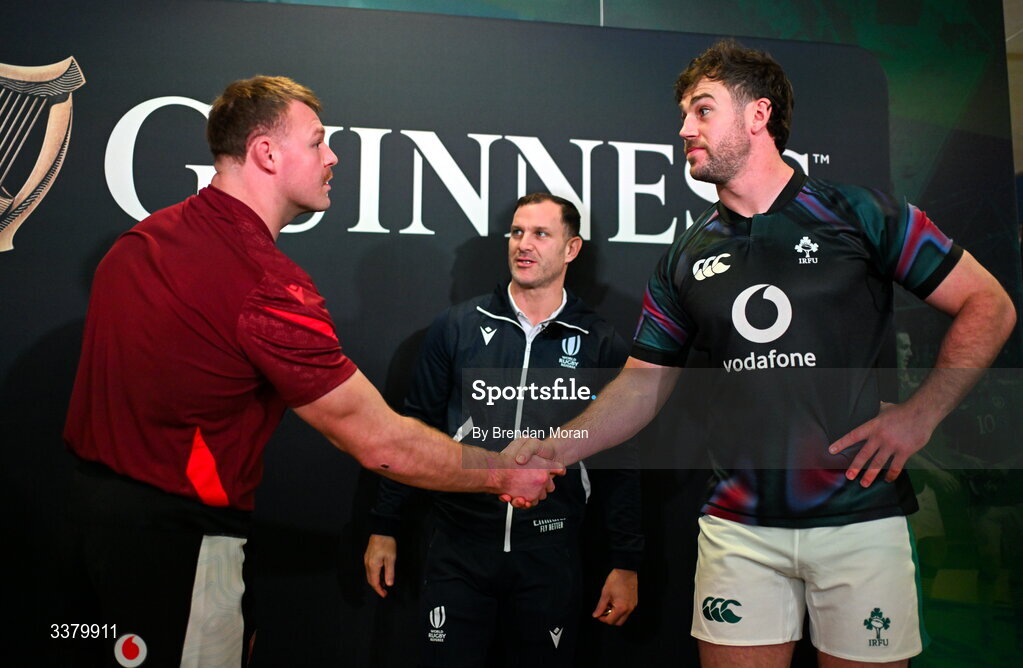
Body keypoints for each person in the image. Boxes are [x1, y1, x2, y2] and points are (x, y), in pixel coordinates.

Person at [504, 41, 1016, 667]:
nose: (684, 129)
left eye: (702, 110)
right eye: (685, 115)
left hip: (858, 517)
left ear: (757, 114)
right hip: (738, 528)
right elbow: (642, 386)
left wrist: (921, 416)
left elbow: (989, 305)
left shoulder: (859, 213)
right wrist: (555, 447)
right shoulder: (684, 256)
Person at [60, 76, 558, 668]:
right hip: (179, 548)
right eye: (319, 142)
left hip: (84, 534)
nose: (333, 157)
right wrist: (502, 473)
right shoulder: (266, 284)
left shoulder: (138, 241)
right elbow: (379, 442)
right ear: (267, 153)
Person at [363, 193, 643, 667]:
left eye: (540, 234)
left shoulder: (601, 342)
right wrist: (385, 526)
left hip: (550, 553)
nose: (523, 245)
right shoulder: (456, 327)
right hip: (458, 546)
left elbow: (622, 460)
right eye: (516, 232)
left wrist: (626, 559)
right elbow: (415, 430)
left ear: (571, 249)